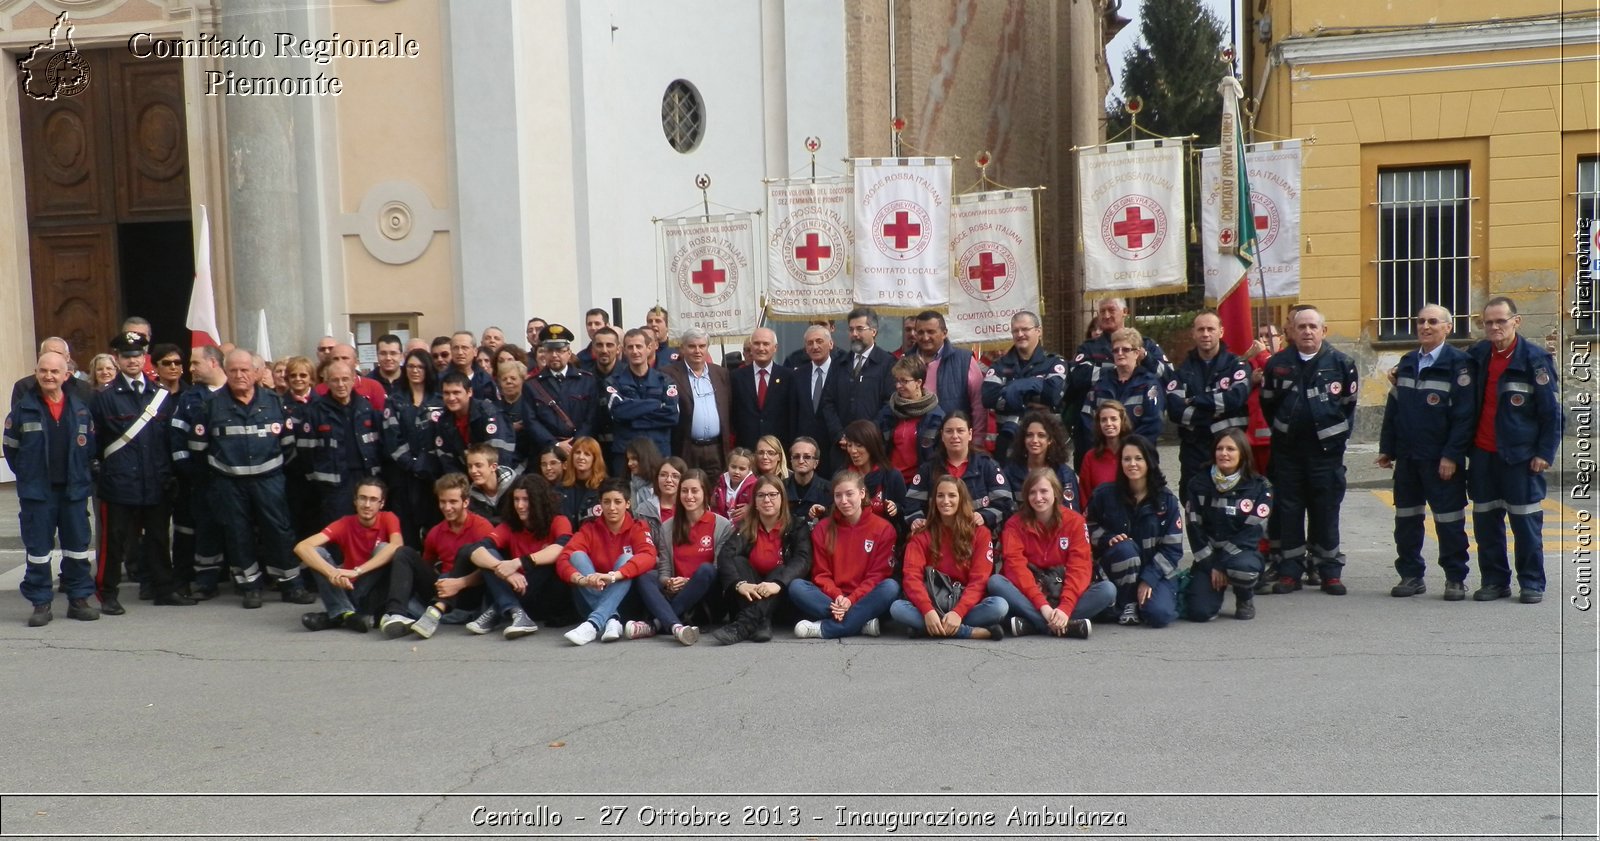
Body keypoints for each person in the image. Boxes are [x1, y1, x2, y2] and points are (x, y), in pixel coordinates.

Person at [189, 349, 314, 608]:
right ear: (225, 371)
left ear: (256, 373)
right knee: (238, 534)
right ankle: (250, 586)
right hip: (229, 483)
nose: (239, 375)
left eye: (245, 370)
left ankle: (291, 584)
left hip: (270, 481)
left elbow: (289, 446)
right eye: (233, 370)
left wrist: (273, 470)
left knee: (279, 531)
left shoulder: (274, 402)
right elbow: (199, 449)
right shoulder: (211, 405)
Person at [1378, 304, 1479, 600]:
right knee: (1406, 520)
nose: (1425, 326)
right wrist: (1388, 449)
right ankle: (1410, 575)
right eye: (1421, 321)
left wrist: (1451, 455)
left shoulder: (1459, 364)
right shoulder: (1408, 361)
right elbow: (1394, 408)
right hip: (1408, 457)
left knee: (1449, 521)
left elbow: (1465, 417)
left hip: (1440, 459)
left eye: (1433, 322)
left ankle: (1455, 578)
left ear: (1447, 327)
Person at [1466, 296, 1562, 603]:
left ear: (1515, 322)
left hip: (1520, 457)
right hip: (1483, 455)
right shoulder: (1479, 354)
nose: (1494, 327)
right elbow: (1445, 365)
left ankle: (1532, 582)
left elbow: (1553, 415)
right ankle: (1494, 581)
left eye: (1500, 321)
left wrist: (1544, 454)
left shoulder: (1535, 360)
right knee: (1486, 523)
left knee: (1525, 523)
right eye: (1488, 322)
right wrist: (1402, 371)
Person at [1259, 305, 1359, 596]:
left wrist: (1331, 438)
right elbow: (1268, 404)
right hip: (1288, 453)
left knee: (1326, 510)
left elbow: (1348, 405)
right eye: (1301, 327)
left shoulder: (1342, 363)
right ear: (1291, 331)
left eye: (1313, 327)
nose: (1307, 332)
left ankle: (1328, 570)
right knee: (1289, 511)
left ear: (1323, 331)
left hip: (1325, 454)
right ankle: (1290, 571)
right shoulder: (1277, 364)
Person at [91, 331, 183, 612]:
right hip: (119, 480)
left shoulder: (160, 395)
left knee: (158, 538)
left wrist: (169, 474)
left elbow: (168, 440)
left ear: (145, 358)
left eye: (137, 355)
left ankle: (163, 589)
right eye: (126, 356)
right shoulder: (104, 397)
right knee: (114, 541)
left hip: (155, 478)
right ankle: (107, 593)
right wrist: (99, 474)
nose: (133, 361)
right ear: (117, 359)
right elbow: (95, 442)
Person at [5, 351, 99, 626]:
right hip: (38, 493)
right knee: (38, 551)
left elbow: (89, 447)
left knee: (77, 548)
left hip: (73, 491)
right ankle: (41, 603)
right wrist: (27, 476)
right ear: (36, 373)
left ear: (66, 375)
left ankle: (79, 599)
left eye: (54, 372)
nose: (48, 376)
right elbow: (11, 449)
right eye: (43, 371)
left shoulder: (80, 409)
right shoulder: (23, 409)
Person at [991, 469, 1107, 638]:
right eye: (1032, 492)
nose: (1038, 498)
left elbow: (1080, 567)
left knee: (1107, 590)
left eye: (1044, 491)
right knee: (995, 582)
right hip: (1031, 593)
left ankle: (1033, 625)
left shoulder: (1075, 522)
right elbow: (1015, 569)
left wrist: (1065, 608)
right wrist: (1043, 607)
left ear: (1056, 491)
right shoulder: (1013, 525)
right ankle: (1062, 626)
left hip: (1062, 590)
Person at [380, 472, 495, 639]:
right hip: (442, 590)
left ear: (466, 502)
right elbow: (426, 568)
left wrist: (460, 583)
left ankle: (433, 612)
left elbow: (490, 572)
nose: (447, 508)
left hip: (469, 591)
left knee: (467, 551)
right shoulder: (435, 532)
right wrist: (443, 583)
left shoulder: (482, 527)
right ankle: (396, 614)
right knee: (404, 552)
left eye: (453, 502)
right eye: (443, 502)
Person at [890, 476, 1008, 639]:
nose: (945, 501)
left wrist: (958, 613)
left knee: (999, 606)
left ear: (962, 499)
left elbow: (979, 580)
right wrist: (927, 610)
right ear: (934, 500)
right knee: (897, 608)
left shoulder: (980, 533)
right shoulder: (922, 534)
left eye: (952, 495)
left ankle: (927, 629)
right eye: (940, 495)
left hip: (964, 602)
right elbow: (911, 577)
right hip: (933, 600)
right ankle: (969, 632)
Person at [1085, 435, 1182, 628]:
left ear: (1149, 461)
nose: (1132, 464)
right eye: (1126, 459)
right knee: (1125, 548)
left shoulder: (1166, 500)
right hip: (1117, 569)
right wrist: (1107, 538)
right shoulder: (1105, 494)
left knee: (1159, 616)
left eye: (1138, 458)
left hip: (1154, 570)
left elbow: (1172, 549)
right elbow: (1086, 526)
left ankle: (1160, 597)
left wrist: (1148, 579)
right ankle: (1128, 604)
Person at [1064, 297, 1173, 468]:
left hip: (1137, 454)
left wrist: (1145, 358)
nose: (1106, 315)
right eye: (1102, 311)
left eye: (1111, 310)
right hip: (1094, 448)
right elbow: (1077, 377)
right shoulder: (1088, 348)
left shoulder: (1147, 345)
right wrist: (1119, 369)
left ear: (1125, 312)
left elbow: (1168, 378)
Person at [788, 471, 900, 639]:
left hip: (865, 598)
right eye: (838, 495)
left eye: (849, 494)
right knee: (796, 587)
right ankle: (860, 623)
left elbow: (877, 576)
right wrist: (839, 597)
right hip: (831, 599)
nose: (844, 501)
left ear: (862, 494)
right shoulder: (822, 528)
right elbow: (821, 574)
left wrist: (851, 600)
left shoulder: (884, 529)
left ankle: (825, 629)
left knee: (891, 587)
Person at [466, 473, 572, 637]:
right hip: (517, 590)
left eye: (526, 500)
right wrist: (502, 569)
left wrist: (518, 563)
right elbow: (475, 551)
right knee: (489, 556)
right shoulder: (511, 526)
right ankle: (515, 611)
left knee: (550, 560)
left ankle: (497, 609)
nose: (520, 506)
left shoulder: (558, 521)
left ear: (538, 501)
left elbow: (562, 548)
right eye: (516, 499)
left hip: (546, 597)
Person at [293, 478, 404, 632]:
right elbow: (302, 547)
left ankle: (338, 614)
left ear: (382, 503)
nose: (367, 504)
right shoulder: (345, 523)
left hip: (374, 590)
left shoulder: (389, 518)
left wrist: (357, 571)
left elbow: (398, 546)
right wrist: (331, 572)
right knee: (317, 552)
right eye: (363, 498)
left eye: (373, 500)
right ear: (355, 500)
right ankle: (347, 614)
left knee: (386, 548)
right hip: (348, 586)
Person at [633, 469, 731, 645]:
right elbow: (664, 567)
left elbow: (719, 568)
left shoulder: (722, 525)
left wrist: (688, 582)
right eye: (684, 491)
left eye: (695, 491)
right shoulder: (668, 527)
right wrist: (667, 582)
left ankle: (657, 623)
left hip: (708, 597)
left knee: (706, 569)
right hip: (675, 590)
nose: (689, 496)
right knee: (645, 576)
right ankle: (676, 626)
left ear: (705, 493)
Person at [556, 478, 658, 645]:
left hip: (627, 602)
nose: (612, 507)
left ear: (627, 504)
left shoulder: (638, 527)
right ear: (600, 504)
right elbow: (564, 558)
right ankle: (611, 619)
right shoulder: (589, 529)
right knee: (577, 556)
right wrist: (581, 579)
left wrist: (614, 576)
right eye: (606, 502)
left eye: (617, 502)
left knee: (627, 559)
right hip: (591, 596)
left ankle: (594, 623)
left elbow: (649, 556)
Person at [1183, 430, 1272, 622]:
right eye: (1219, 448)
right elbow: (1194, 529)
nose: (1224, 453)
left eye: (1231, 449)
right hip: (1208, 555)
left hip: (1241, 554)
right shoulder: (1198, 484)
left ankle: (1244, 597)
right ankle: (1212, 591)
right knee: (1199, 613)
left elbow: (1251, 533)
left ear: (1243, 454)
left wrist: (1221, 564)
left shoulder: (1260, 487)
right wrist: (1211, 565)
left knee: (1243, 568)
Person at [714, 474, 813, 644]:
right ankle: (762, 623)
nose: (767, 500)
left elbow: (803, 560)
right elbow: (725, 556)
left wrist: (778, 583)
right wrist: (739, 584)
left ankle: (744, 625)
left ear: (782, 498)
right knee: (738, 561)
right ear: (755, 502)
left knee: (781, 568)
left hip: (781, 597)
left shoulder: (797, 526)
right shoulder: (746, 527)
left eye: (773, 494)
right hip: (749, 595)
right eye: (761, 495)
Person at [1167, 311, 1251, 503]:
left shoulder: (1236, 366)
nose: (1206, 334)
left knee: (1231, 504)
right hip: (1193, 450)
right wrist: (1215, 415)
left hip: (1228, 449)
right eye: (1201, 329)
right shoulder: (1183, 371)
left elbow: (1236, 399)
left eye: (1210, 329)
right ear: (1193, 334)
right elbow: (1175, 411)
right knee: (1192, 502)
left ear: (1221, 332)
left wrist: (1196, 400)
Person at [168, 345, 229, 599]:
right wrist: (189, 471)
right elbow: (177, 438)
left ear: (213, 363)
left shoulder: (235, 392)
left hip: (235, 479)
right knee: (205, 529)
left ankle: (245, 578)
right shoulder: (189, 398)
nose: (189, 369)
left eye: (195, 363)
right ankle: (206, 580)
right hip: (202, 479)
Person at [297, 360, 386, 527]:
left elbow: (379, 445)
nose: (340, 384)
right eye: (335, 380)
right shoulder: (315, 411)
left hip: (365, 479)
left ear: (354, 379)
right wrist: (317, 479)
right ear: (327, 382)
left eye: (345, 379)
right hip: (334, 485)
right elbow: (305, 452)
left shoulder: (366, 407)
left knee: (368, 528)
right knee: (338, 531)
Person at [904, 411, 1012, 532]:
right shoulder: (928, 469)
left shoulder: (987, 465)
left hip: (977, 535)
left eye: (960, 431)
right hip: (938, 537)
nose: (955, 436)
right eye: (949, 431)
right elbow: (911, 503)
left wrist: (985, 516)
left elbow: (1005, 503)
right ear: (942, 435)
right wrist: (916, 519)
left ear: (970, 434)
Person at [983, 310, 1067, 456]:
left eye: (1025, 329)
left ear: (1038, 331)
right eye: (1015, 330)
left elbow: (1052, 396)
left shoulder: (1054, 362)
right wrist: (1035, 388)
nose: (1020, 334)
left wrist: (1013, 389)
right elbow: (988, 398)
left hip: (1044, 445)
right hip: (1009, 444)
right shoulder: (999, 365)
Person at [385, 349, 444, 549]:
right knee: (407, 533)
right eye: (410, 366)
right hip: (404, 476)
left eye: (420, 366)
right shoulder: (395, 400)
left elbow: (444, 435)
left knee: (435, 529)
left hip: (434, 476)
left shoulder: (440, 399)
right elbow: (391, 437)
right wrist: (413, 464)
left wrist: (429, 464)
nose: (415, 370)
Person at [604, 329, 680, 469]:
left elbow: (672, 415)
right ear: (624, 350)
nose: (635, 351)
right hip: (625, 454)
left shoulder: (665, 381)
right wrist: (656, 404)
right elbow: (618, 412)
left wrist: (633, 420)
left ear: (649, 348)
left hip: (658, 452)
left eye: (639, 346)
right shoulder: (613, 382)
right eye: (630, 347)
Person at [663, 327, 731, 476]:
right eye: (692, 346)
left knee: (715, 493)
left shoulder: (721, 373)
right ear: (682, 348)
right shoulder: (669, 374)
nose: (697, 351)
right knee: (687, 491)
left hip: (716, 448)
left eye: (702, 346)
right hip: (686, 447)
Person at [423, 371, 516, 477]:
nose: (451, 398)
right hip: (466, 481)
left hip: (496, 477)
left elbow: (500, 455)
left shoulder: (488, 413)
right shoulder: (444, 420)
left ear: (469, 392)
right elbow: (448, 461)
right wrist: (462, 485)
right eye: (446, 393)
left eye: (456, 392)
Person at [912, 311, 987, 438]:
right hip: (915, 442)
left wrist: (977, 441)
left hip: (953, 441)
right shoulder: (906, 360)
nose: (925, 337)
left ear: (944, 333)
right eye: (920, 332)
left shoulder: (964, 360)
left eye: (931, 332)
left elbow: (978, 405)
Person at [527, 324, 599, 451]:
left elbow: (592, 418)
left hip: (579, 449)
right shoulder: (532, 385)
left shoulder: (587, 380)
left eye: (560, 350)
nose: (554, 355)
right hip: (547, 451)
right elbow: (531, 421)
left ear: (569, 353)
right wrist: (555, 444)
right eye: (549, 350)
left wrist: (575, 443)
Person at [1084, 327, 1164, 442]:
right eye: (1116, 350)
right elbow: (1088, 417)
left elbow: (1153, 424)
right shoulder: (1101, 383)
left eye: (1125, 350)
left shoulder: (1149, 384)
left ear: (1137, 353)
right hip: (1105, 452)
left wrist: (1127, 447)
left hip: (1136, 454)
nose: (1120, 353)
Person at [877, 355, 944, 485]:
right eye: (897, 380)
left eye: (904, 381)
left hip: (922, 483)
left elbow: (938, 457)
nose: (898, 385)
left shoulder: (936, 416)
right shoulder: (888, 411)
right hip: (891, 482)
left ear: (918, 382)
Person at [730, 327, 797, 451]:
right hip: (747, 450)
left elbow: (793, 415)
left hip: (778, 450)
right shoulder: (736, 377)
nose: (761, 348)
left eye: (766, 344)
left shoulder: (789, 377)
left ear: (775, 348)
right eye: (756, 343)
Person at [1003, 410, 1084, 513]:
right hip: (1021, 527)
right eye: (1029, 435)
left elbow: (1072, 514)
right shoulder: (1011, 472)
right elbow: (1006, 510)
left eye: (1041, 435)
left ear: (1050, 440)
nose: (1034, 440)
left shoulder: (1064, 474)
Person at [795, 324, 847, 475]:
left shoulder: (842, 373)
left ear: (831, 344)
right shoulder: (797, 376)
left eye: (819, 341)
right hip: (805, 452)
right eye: (810, 343)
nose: (815, 346)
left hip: (834, 449)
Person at [838, 307, 898, 429]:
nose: (854, 334)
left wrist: (870, 431)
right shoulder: (839, 363)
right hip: (842, 440)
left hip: (873, 440)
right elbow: (829, 402)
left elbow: (891, 403)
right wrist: (838, 433)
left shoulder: (888, 363)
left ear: (874, 331)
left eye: (860, 329)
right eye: (851, 329)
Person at [837, 420, 906, 525]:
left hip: (883, 536)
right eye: (849, 445)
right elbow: (833, 509)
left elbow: (905, 510)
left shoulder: (892, 475)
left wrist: (895, 508)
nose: (853, 451)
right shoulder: (841, 475)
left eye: (859, 445)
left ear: (872, 445)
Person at [1079, 400, 1130, 499]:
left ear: (1122, 422)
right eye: (1104, 420)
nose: (1108, 423)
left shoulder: (1134, 454)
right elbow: (1084, 494)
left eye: (1114, 419)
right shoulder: (1090, 457)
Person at [557, 437, 607, 525]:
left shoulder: (605, 488)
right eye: (577, 452)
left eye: (587, 454)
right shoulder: (560, 488)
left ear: (595, 459)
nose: (581, 457)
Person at [465, 443, 520, 523]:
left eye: (478, 465)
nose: (473, 471)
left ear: (493, 467)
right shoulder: (471, 497)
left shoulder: (517, 485)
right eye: (470, 466)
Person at [784, 437, 832, 517]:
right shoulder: (780, 488)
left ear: (816, 463)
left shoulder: (829, 491)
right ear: (791, 461)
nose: (801, 461)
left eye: (807, 457)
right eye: (796, 456)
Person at [635, 456, 685, 526]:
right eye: (663, 475)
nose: (668, 480)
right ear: (657, 478)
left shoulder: (689, 508)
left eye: (675, 476)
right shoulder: (644, 510)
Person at [447, 331, 496, 401]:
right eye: (456, 348)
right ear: (451, 351)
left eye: (464, 348)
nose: (460, 352)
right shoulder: (441, 379)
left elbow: (494, 408)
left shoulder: (485, 380)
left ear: (475, 352)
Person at [712, 447, 755, 520]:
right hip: (722, 526)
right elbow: (714, 506)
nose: (736, 472)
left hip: (743, 526)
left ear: (749, 470)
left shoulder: (754, 485)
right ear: (728, 465)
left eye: (742, 469)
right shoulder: (721, 482)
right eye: (733, 467)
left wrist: (751, 508)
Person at [624, 438, 665, 511]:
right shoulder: (627, 482)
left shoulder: (661, 483)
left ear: (645, 458)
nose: (629, 463)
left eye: (634, 459)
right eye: (628, 459)